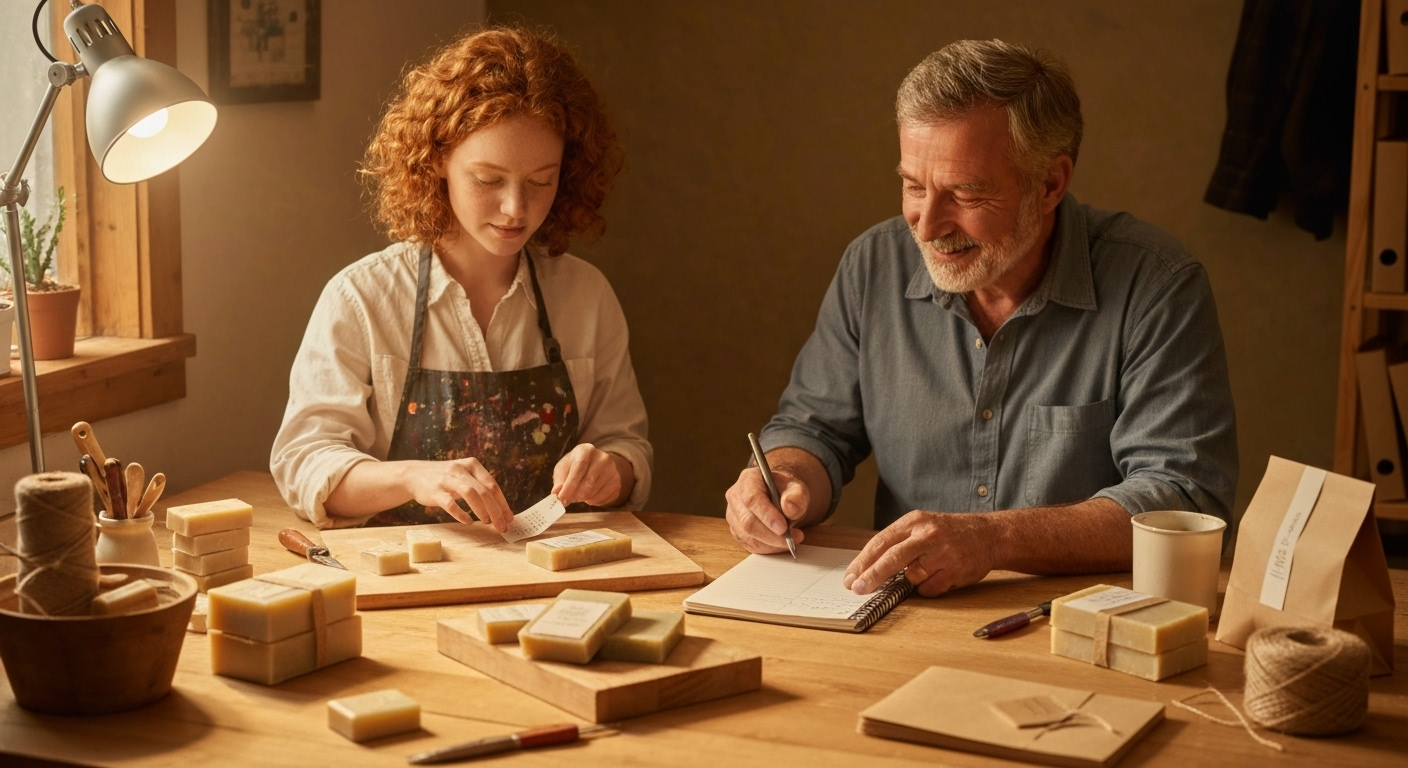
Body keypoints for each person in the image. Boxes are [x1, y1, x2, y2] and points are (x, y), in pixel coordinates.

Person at [724, 40, 1237, 597]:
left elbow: (1182, 498)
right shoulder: (872, 265)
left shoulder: (1156, 284)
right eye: (913, 186)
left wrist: (993, 540)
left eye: (965, 194)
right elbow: (815, 429)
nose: (925, 226)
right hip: (901, 610)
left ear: (1049, 184)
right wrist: (785, 476)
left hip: (1078, 623)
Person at [271, 27, 651, 530]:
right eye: (488, 179)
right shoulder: (361, 298)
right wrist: (411, 479)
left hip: (556, 577)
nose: (516, 209)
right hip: (410, 579)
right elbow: (305, 462)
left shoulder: (586, 295)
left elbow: (627, 446)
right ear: (437, 162)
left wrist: (613, 470)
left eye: (541, 180)